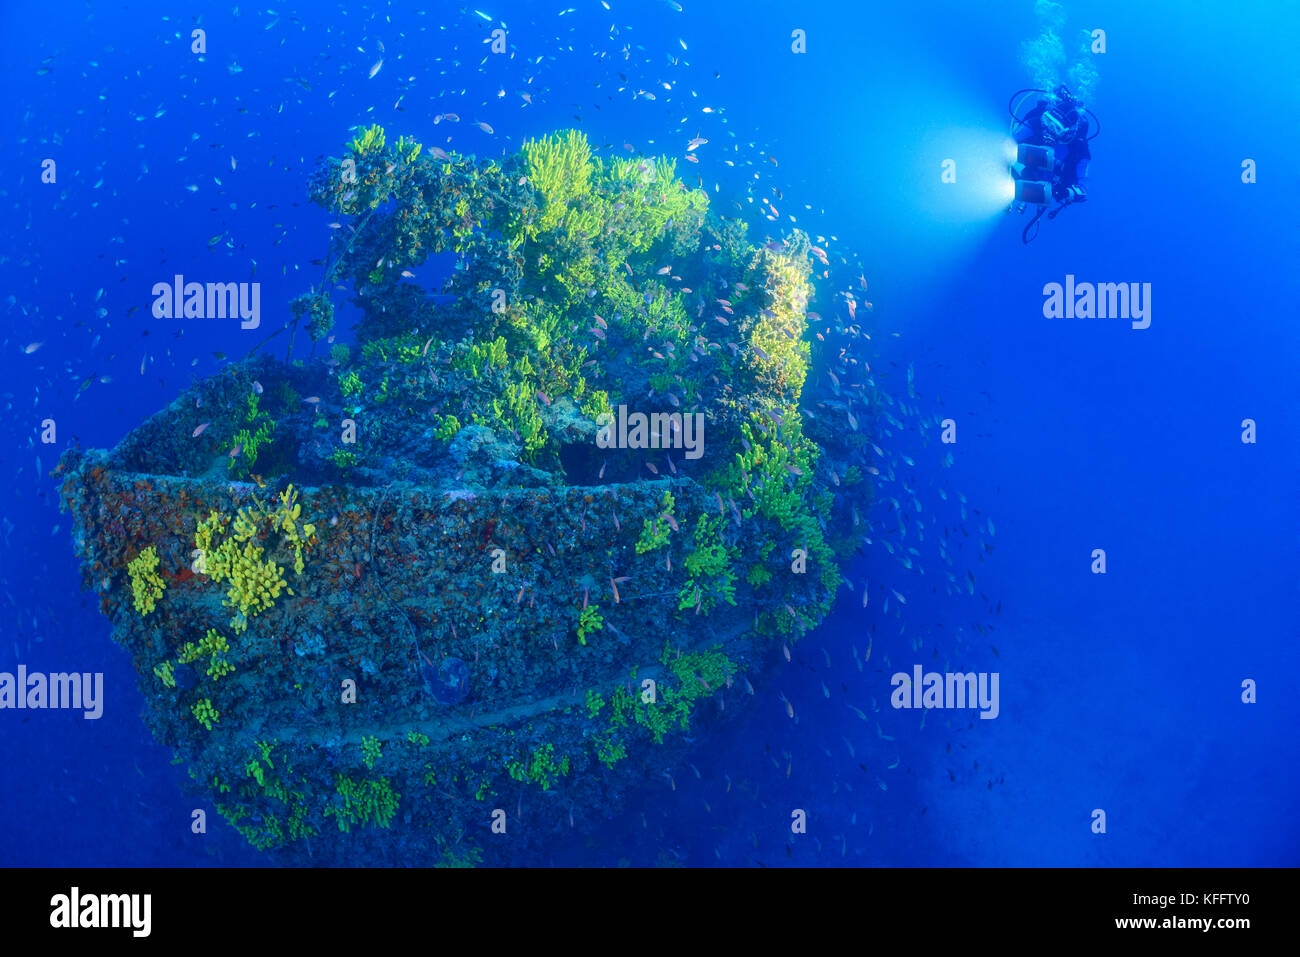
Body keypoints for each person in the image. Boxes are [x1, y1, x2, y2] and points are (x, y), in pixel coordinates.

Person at [1014, 85, 1090, 207]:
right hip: (1020, 167)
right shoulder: (1036, 123)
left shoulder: (1079, 151)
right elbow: (1010, 140)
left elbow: (1083, 189)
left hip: (1048, 186)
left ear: (1068, 131)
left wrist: (1066, 192)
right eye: (1048, 121)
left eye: (1056, 128)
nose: (1049, 130)